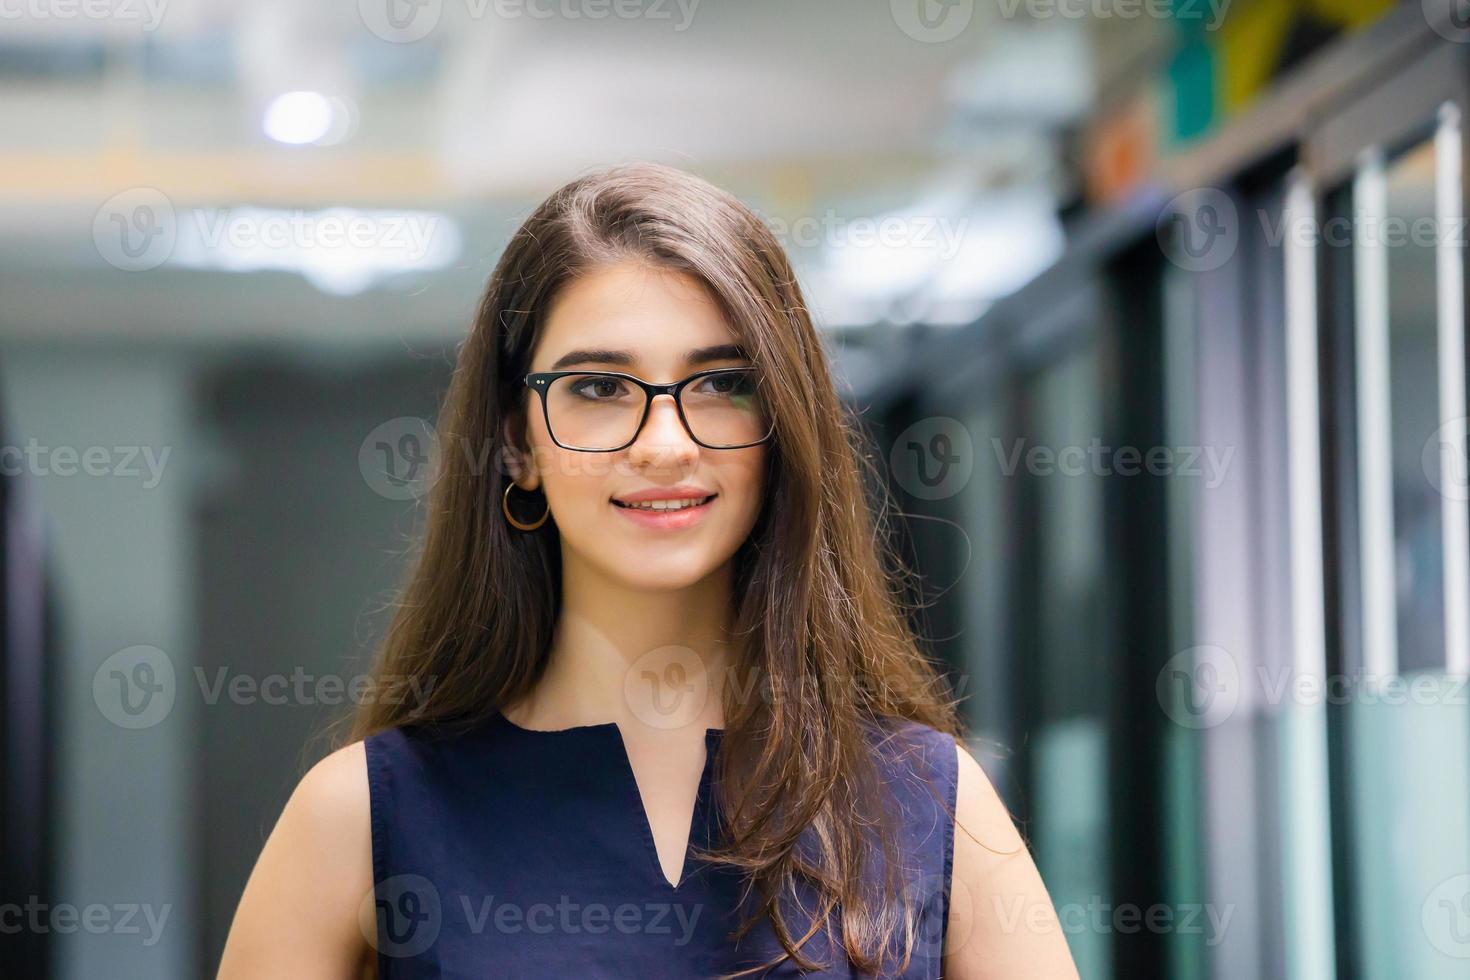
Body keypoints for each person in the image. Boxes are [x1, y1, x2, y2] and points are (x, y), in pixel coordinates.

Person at [216, 162, 1078, 979]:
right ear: (516, 440)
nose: (666, 444)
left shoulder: (927, 800)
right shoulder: (362, 815)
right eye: (598, 389)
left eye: (721, 384)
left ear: (783, 428)